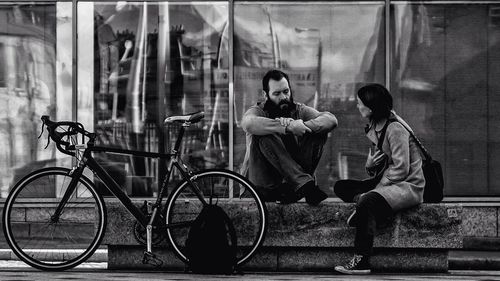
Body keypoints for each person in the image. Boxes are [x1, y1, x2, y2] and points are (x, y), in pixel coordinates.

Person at [333, 83, 425, 274]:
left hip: (408, 186)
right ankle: (371, 210)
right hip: (390, 181)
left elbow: (401, 169)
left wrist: (375, 191)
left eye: (360, 103)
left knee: (368, 200)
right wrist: (369, 165)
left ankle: (361, 260)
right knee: (342, 187)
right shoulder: (376, 126)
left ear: (372, 106)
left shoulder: (395, 128)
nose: (357, 107)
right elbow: (382, 165)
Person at [240, 69, 337, 205]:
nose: (283, 97)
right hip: (260, 188)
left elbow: (330, 120)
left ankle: (301, 184)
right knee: (263, 135)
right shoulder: (258, 111)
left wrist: (302, 125)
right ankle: (305, 184)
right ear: (265, 94)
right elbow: (248, 123)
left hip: (288, 188)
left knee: (318, 131)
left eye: (286, 91)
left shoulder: (299, 110)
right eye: (277, 93)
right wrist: (286, 127)